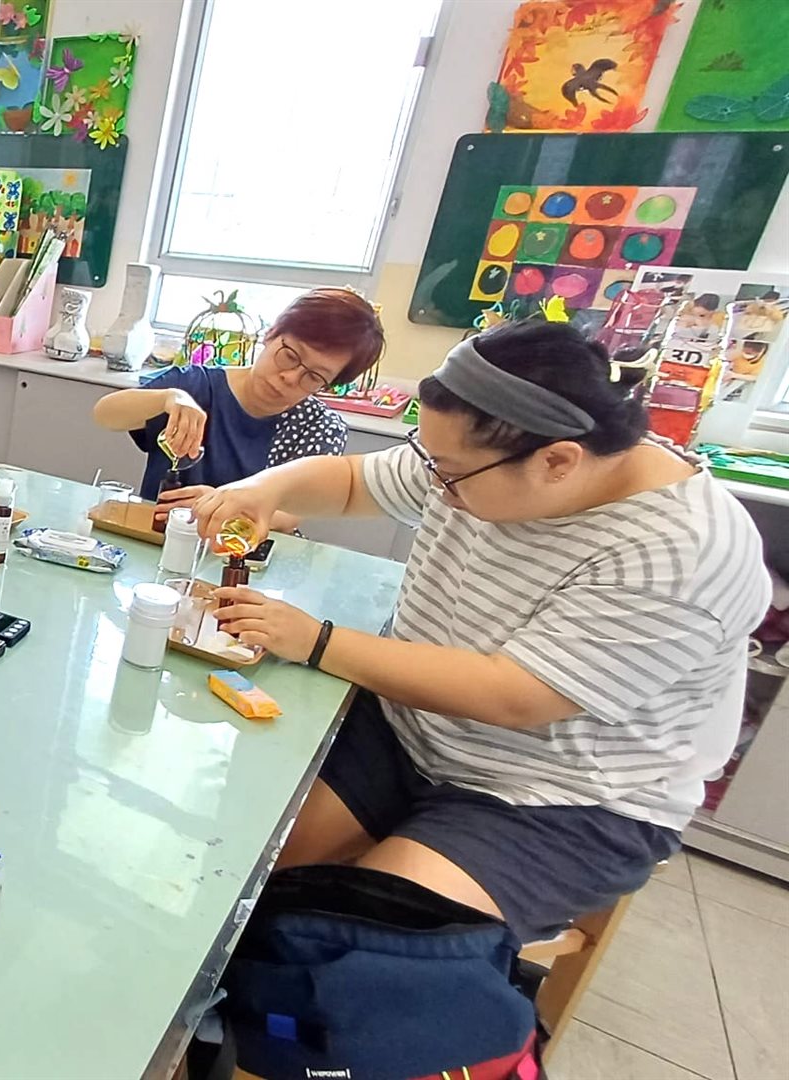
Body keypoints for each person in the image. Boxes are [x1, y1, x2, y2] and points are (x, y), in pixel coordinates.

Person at [194, 320, 768, 944]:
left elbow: (515, 695)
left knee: (360, 940)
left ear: (557, 461)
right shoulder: (481, 455)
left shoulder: (681, 551)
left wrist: (316, 640)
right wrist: (264, 488)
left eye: (448, 474)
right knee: (238, 865)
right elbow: (357, 482)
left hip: (556, 797)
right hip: (410, 733)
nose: (435, 485)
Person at [93, 287, 384, 532]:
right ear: (271, 334)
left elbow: (292, 514)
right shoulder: (196, 385)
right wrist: (167, 398)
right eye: (290, 355)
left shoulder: (317, 426)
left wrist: (227, 505)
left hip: (247, 553)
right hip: (164, 538)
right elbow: (106, 414)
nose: (290, 377)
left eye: (314, 377)